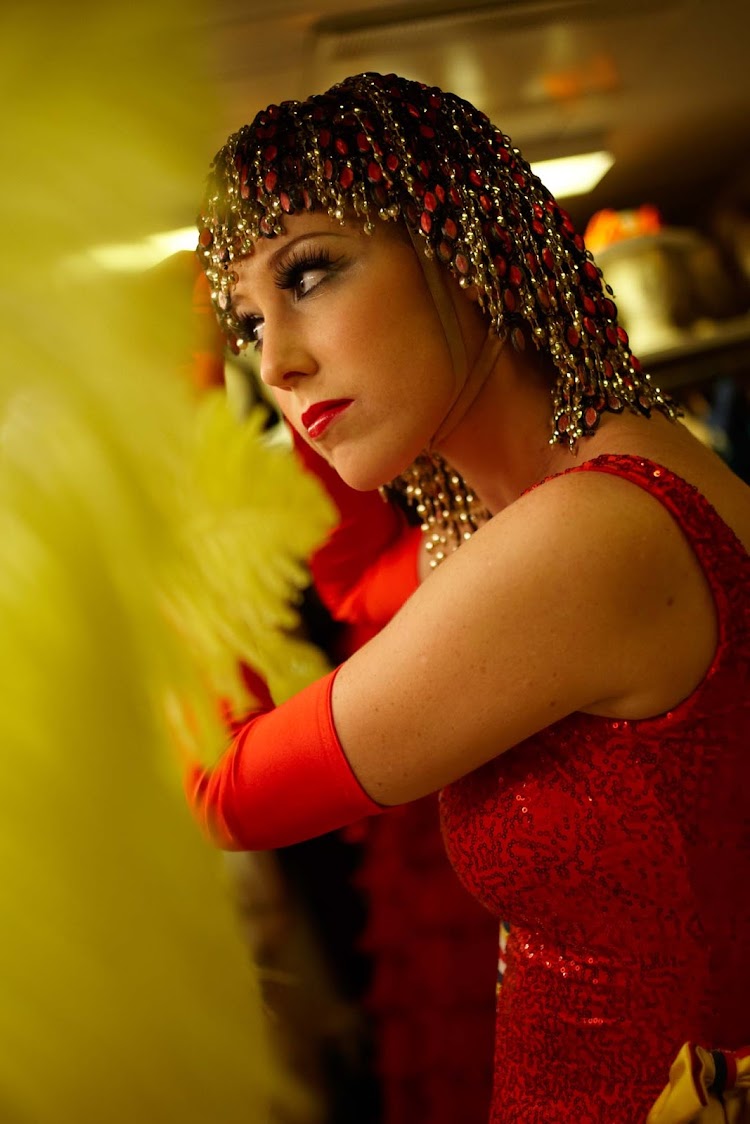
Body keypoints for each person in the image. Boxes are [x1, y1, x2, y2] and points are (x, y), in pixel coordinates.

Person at [188, 72, 750, 1122]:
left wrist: (132, 501)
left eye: (309, 275)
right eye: (248, 326)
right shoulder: (534, 510)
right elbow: (364, 592)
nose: (279, 364)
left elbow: (231, 790)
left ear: (463, 245)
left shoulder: (582, 537)